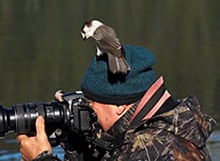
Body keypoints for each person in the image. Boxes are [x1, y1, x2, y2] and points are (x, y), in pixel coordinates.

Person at [17, 44, 216, 161]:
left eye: (92, 102)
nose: (89, 109)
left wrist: (42, 159)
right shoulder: (168, 125)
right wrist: (75, 142)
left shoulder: (152, 149)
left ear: (120, 105)